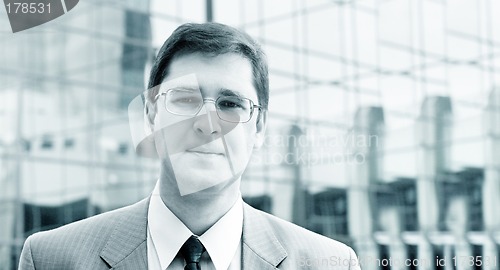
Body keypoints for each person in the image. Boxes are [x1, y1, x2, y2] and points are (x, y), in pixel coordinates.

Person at [18, 22, 360, 270]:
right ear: (151, 114)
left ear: (259, 128)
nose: (207, 123)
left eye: (230, 104)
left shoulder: (327, 263)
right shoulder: (51, 258)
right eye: (184, 99)